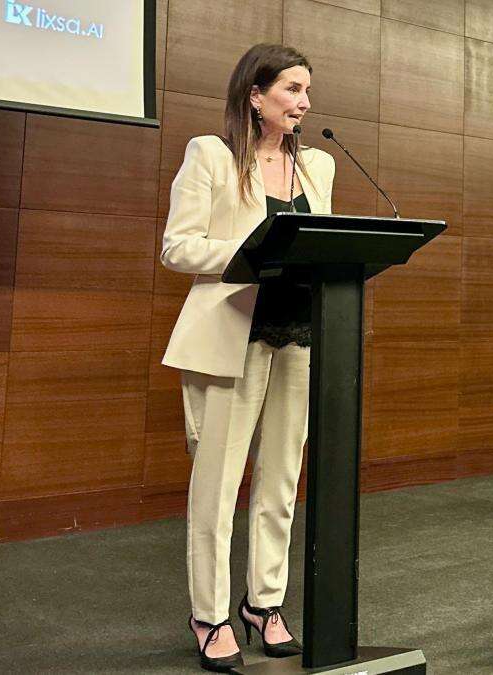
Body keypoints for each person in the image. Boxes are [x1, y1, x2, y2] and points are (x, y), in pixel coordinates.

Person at [160, 43, 335, 672]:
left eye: (307, 91)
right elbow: (178, 248)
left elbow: (326, 243)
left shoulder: (318, 165)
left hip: (301, 334)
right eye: (292, 89)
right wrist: (251, 250)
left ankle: (265, 602)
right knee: (218, 486)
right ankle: (209, 615)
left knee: (281, 483)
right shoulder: (210, 154)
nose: (304, 103)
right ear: (255, 95)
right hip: (232, 334)